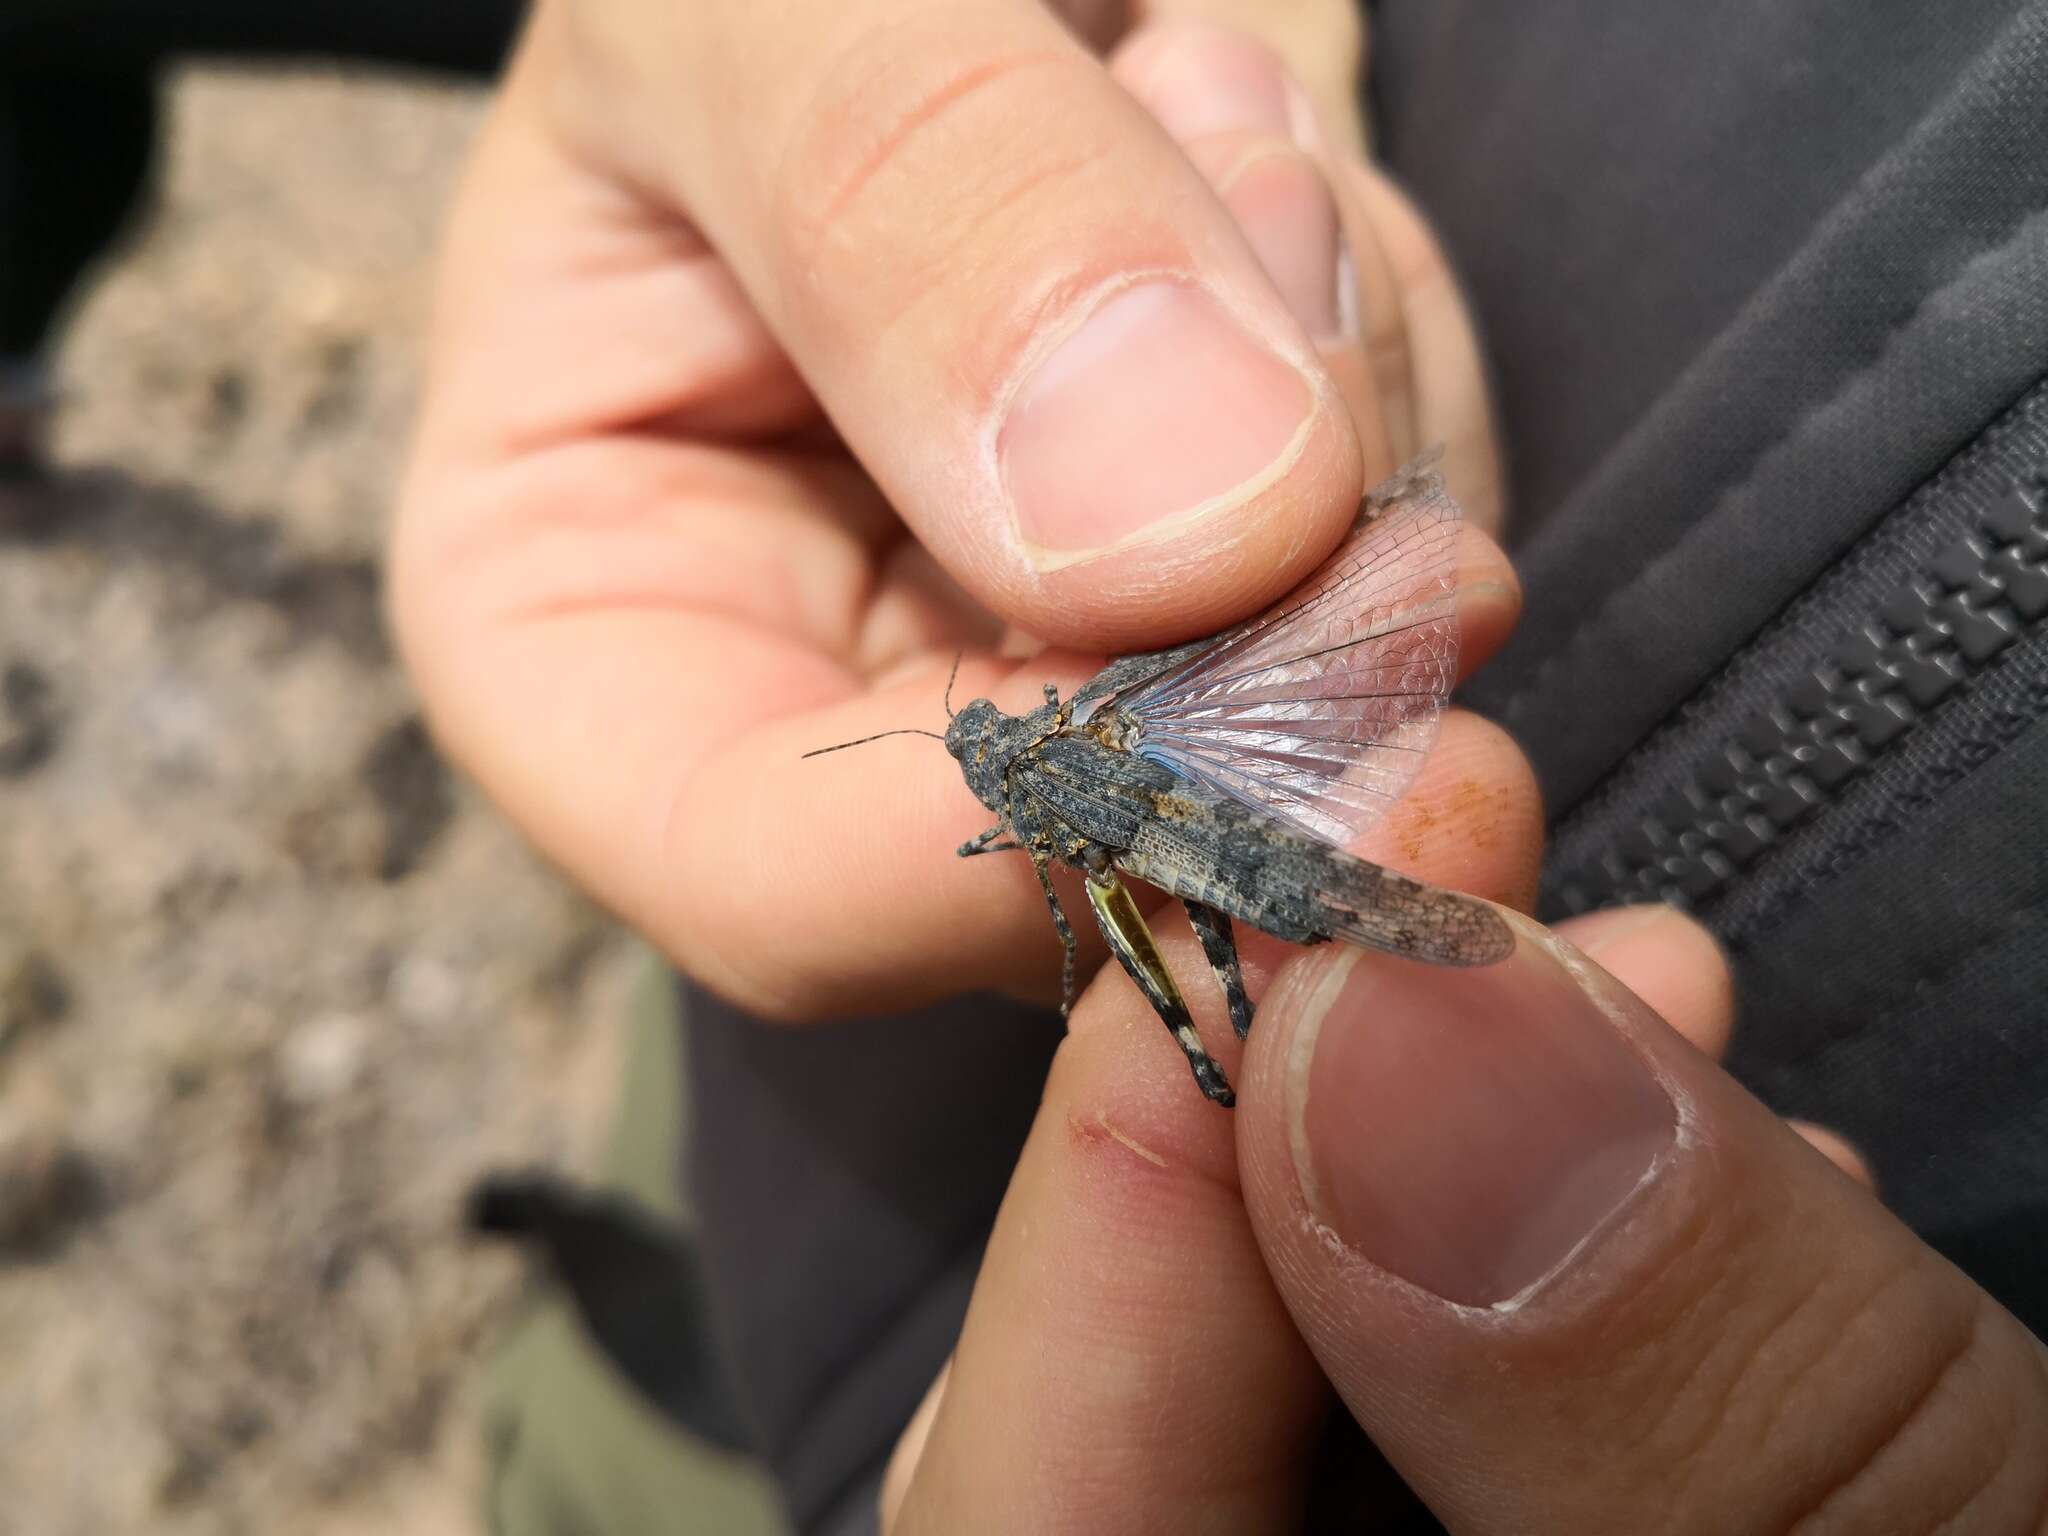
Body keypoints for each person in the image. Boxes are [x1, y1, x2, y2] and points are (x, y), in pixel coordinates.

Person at [391, 1, 2048, 1531]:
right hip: (1160, 867)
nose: (982, 759)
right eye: (982, 754)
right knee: (1203, 993)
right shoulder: (1057, 753)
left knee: (1218, 987)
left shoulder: (1050, 781)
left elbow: (1059, 893)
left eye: (985, 753)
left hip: (1190, 895)